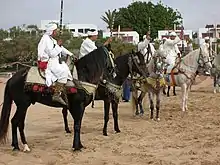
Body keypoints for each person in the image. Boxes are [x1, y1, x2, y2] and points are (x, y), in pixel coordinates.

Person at [37, 23, 74, 106]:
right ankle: (57, 94)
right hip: (50, 62)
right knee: (63, 72)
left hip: (55, 61)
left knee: (66, 68)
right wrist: (58, 45)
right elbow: (52, 54)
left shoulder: (52, 39)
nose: (57, 32)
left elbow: (61, 49)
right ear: (52, 31)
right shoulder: (45, 39)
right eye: (55, 31)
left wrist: (71, 54)